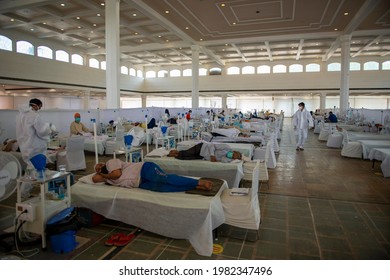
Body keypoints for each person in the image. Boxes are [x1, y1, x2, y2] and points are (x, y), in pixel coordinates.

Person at [92, 159, 213, 192]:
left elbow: (117, 174)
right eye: (96, 169)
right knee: (163, 188)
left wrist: (104, 173)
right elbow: (95, 179)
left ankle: (198, 182)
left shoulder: (111, 163)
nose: (98, 168)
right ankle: (192, 186)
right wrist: (101, 174)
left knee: (164, 179)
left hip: (144, 169)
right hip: (139, 183)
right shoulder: (105, 176)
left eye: (98, 165)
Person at [16, 98, 52, 165]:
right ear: (36, 105)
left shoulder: (20, 116)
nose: (39, 109)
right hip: (35, 149)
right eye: (39, 107)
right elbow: (42, 131)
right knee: (39, 171)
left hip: (25, 148)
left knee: (30, 169)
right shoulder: (35, 116)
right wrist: (48, 128)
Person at [168, 141, 242, 163]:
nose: (232, 156)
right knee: (186, 153)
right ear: (234, 151)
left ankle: (175, 155)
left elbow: (223, 160)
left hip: (203, 156)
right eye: (233, 154)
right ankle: (175, 151)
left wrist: (230, 159)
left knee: (186, 158)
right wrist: (212, 155)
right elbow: (212, 146)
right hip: (202, 147)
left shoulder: (226, 158)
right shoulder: (226, 147)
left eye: (233, 157)